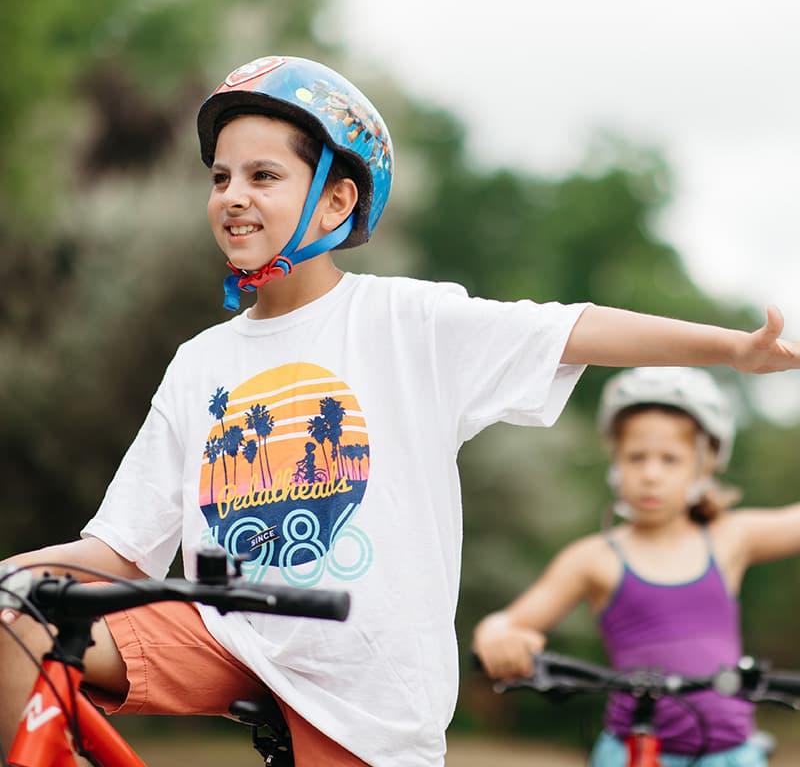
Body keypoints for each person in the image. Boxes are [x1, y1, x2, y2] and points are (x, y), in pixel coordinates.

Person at [1, 55, 800, 767]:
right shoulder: (199, 363)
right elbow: (122, 549)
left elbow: (572, 326)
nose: (232, 197)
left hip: (364, 678)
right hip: (227, 635)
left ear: (334, 199)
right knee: (13, 618)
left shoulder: (403, 322)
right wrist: (13, 575)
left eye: (263, 176)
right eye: (220, 177)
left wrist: (733, 349)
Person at [472, 366, 800, 766]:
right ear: (615, 462)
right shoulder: (593, 557)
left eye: (670, 459)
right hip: (633, 752)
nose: (650, 474)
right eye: (636, 457)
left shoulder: (729, 538)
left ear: (704, 465)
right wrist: (498, 636)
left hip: (733, 755)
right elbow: (510, 623)